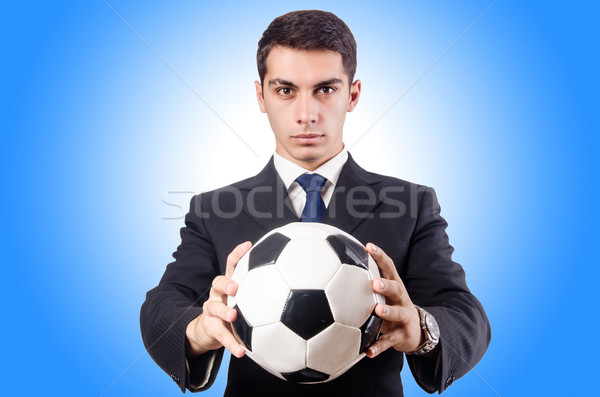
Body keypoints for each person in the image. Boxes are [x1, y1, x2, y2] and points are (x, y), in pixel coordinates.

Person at [140, 10, 491, 396]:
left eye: (325, 89)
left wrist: (422, 329)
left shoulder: (409, 205)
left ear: (352, 95)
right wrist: (198, 329)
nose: (306, 114)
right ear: (261, 96)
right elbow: (161, 309)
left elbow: (466, 316)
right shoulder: (214, 210)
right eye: (285, 90)